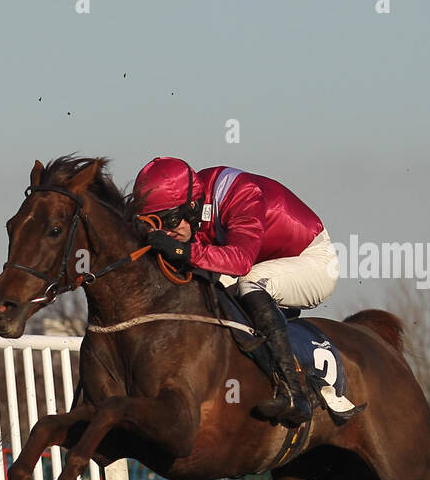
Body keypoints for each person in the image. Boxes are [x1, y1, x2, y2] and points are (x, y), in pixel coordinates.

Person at [133, 158, 345, 427]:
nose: (167, 231)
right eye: (156, 223)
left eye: (171, 220)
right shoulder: (194, 199)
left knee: (250, 282)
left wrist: (181, 251)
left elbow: (241, 262)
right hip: (262, 261)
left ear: (193, 206)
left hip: (312, 261)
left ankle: (294, 393)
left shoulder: (242, 193)